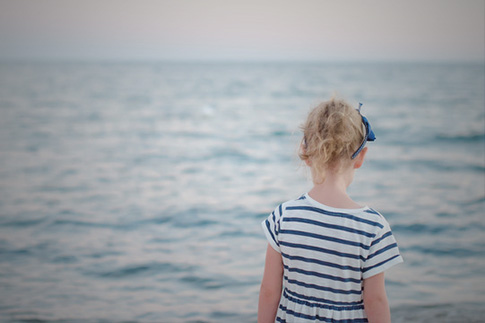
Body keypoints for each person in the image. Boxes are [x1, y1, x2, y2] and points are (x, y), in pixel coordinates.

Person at [258, 98, 403, 323]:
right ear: (360, 157)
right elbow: (375, 301)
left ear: (305, 151)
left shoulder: (283, 217)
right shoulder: (373, 228)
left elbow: (269, 290)